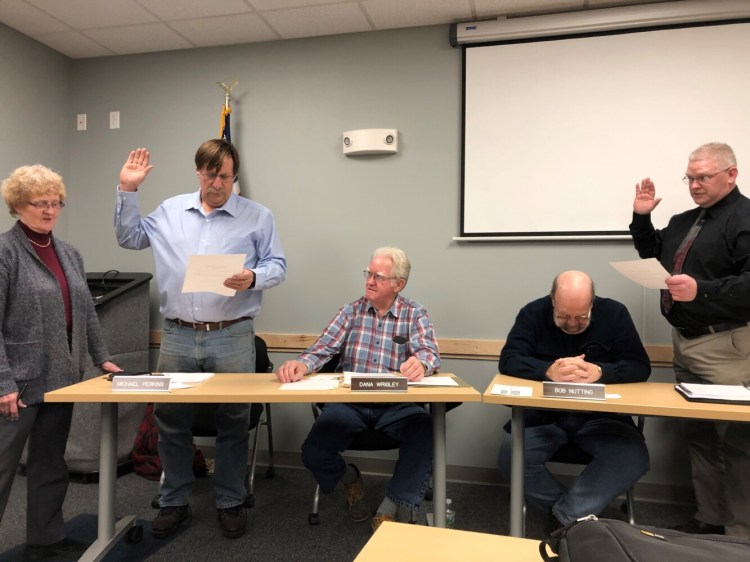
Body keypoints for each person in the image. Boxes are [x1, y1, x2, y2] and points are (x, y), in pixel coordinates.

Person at [114, 140, 286, 539]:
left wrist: (254, 277)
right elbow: (129, 239)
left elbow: (277, 265)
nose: (216, 184)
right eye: (210, 175)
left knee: (233, 422)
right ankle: (174, 501)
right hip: (177, 335)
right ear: (198, 173)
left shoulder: (257, 217)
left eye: (224, 176)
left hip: (232, 335)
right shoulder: (171, 211)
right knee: (170, 422)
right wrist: (127, 189)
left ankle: (229, 501)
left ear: (234, 176)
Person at [0, 165, 121, 560]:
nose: (49, 211)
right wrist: (2, 384)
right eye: (40, 204)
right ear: (18, 206)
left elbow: (85, 312)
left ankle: (46, 537)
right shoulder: (5, 252)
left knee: (50, 463)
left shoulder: (69, 252)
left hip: (62, 378)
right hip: (17, 383)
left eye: (55, 203)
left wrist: (101, 358)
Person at [630, 142, 750, 538]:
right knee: (699, 434)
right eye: (690, 177)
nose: (695, 185)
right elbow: (654, 253)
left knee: (737, 442)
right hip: (685, 341)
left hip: (727, 345)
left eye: (703, 177)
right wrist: (642, 219)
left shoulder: (744, 218)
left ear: (730, 175)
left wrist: (703, 291)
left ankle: (740, 533)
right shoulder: (685, 220)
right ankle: (710, 519)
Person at [276, 247, 439, 532]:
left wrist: (421, 364)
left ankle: (390, 505)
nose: (370, 281)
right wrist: (302, 364)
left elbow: (429, 352)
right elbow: (322, 348)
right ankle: (350, 477)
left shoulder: (415, 314)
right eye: (368, 273)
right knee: (313, 451)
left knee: (425, 429)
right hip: (349, 402)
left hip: (395, 404)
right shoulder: (350, 311)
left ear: (398, 284)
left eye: (378, 276)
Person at [497, 271, 651, 532]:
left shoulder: (614, 313)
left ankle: (564, 518)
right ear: (553, 301)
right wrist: (548, 370)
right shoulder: (532, 313)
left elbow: (639, 366)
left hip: (602, 417)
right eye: (564, 316)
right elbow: (509, 359)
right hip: (544, 415)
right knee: (511, 456)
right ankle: (575, 515)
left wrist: (601, 372)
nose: (571, 323)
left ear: (592, 303)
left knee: (633, 457)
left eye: (581, 317)